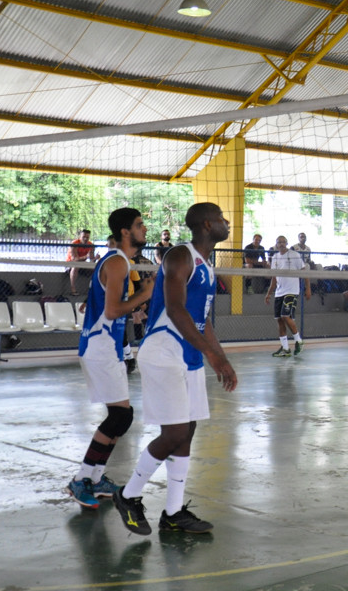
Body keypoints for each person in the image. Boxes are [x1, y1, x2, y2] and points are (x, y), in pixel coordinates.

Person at [113, 202, 238, 535]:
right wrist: (213, 356)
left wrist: (219, 357)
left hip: (188, 356)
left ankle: (173, 512)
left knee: (188, 431)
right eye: (223, 219)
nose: (228, 223)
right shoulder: (180, 256)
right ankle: (128, 495)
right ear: (208, 225)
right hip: (165, 350)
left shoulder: (207, 266)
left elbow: (202, 320)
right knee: (175, 433)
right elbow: (176, 309)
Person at [66, 208, 155, 509]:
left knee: (123, 417)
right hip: (100, 349)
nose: (145, 229)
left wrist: (139, 300)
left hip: (109, 348)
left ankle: (96, 477)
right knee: (119, 416)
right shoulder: (117, 262)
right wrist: (145, 295)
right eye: (140, 225)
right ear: (126, 232)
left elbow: (117, 305)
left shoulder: (122, 263)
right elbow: (113, 310)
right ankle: (81, 480)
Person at [265, 235, 309, 356]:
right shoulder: (275, 258)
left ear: (287, 243)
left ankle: (299, 341)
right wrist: (269, 293)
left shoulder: (295, 255)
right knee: (279, 320)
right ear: (276, 244)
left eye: (284, 242)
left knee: (285, 315)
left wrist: (308, 288)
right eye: (279, 242)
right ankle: (285, 349)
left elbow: (304, 271)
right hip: (279, 292)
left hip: (292, 291)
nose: (281, 244)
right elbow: (274, 278)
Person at [66, 229, 99, 296]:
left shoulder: (91, 245)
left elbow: (91, 259)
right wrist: (86, 256)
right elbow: (74, 259)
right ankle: (73, 289)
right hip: (71, 264)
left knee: (97, 268)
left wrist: (95, 258)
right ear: (80, 237)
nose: (85, 239)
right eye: (84, 237)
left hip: (83, 264)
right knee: (76, 266)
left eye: (87, 237)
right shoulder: (74, 244)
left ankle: (93, 288)